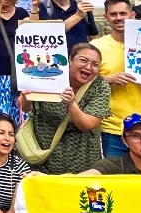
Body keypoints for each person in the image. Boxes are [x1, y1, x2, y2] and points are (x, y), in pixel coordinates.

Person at [17, 43, 110, 174]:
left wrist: (72, 104)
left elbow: (88, 124)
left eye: (95, 64)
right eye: (83, 60)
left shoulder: (100, 86)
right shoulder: (48, 75)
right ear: (70, 60)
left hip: (83, 158)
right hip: (44, 154)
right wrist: (25, 99)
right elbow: (25, 107)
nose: (88, 67)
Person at [91, 0, 141, 157]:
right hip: (114, 126)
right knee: (118, 178)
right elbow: (85, 85)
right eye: (113, 14)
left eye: (122, 13)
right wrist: (109, 79)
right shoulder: (96, 47)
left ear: (132, 15)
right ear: (106, 18)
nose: (118, 18)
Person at [33, 0, 98, 48]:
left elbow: (94, 37)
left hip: (81, 58)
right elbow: (48, 34)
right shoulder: (42, 7)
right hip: (56, 58)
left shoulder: (82, 7)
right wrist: (77, 16)